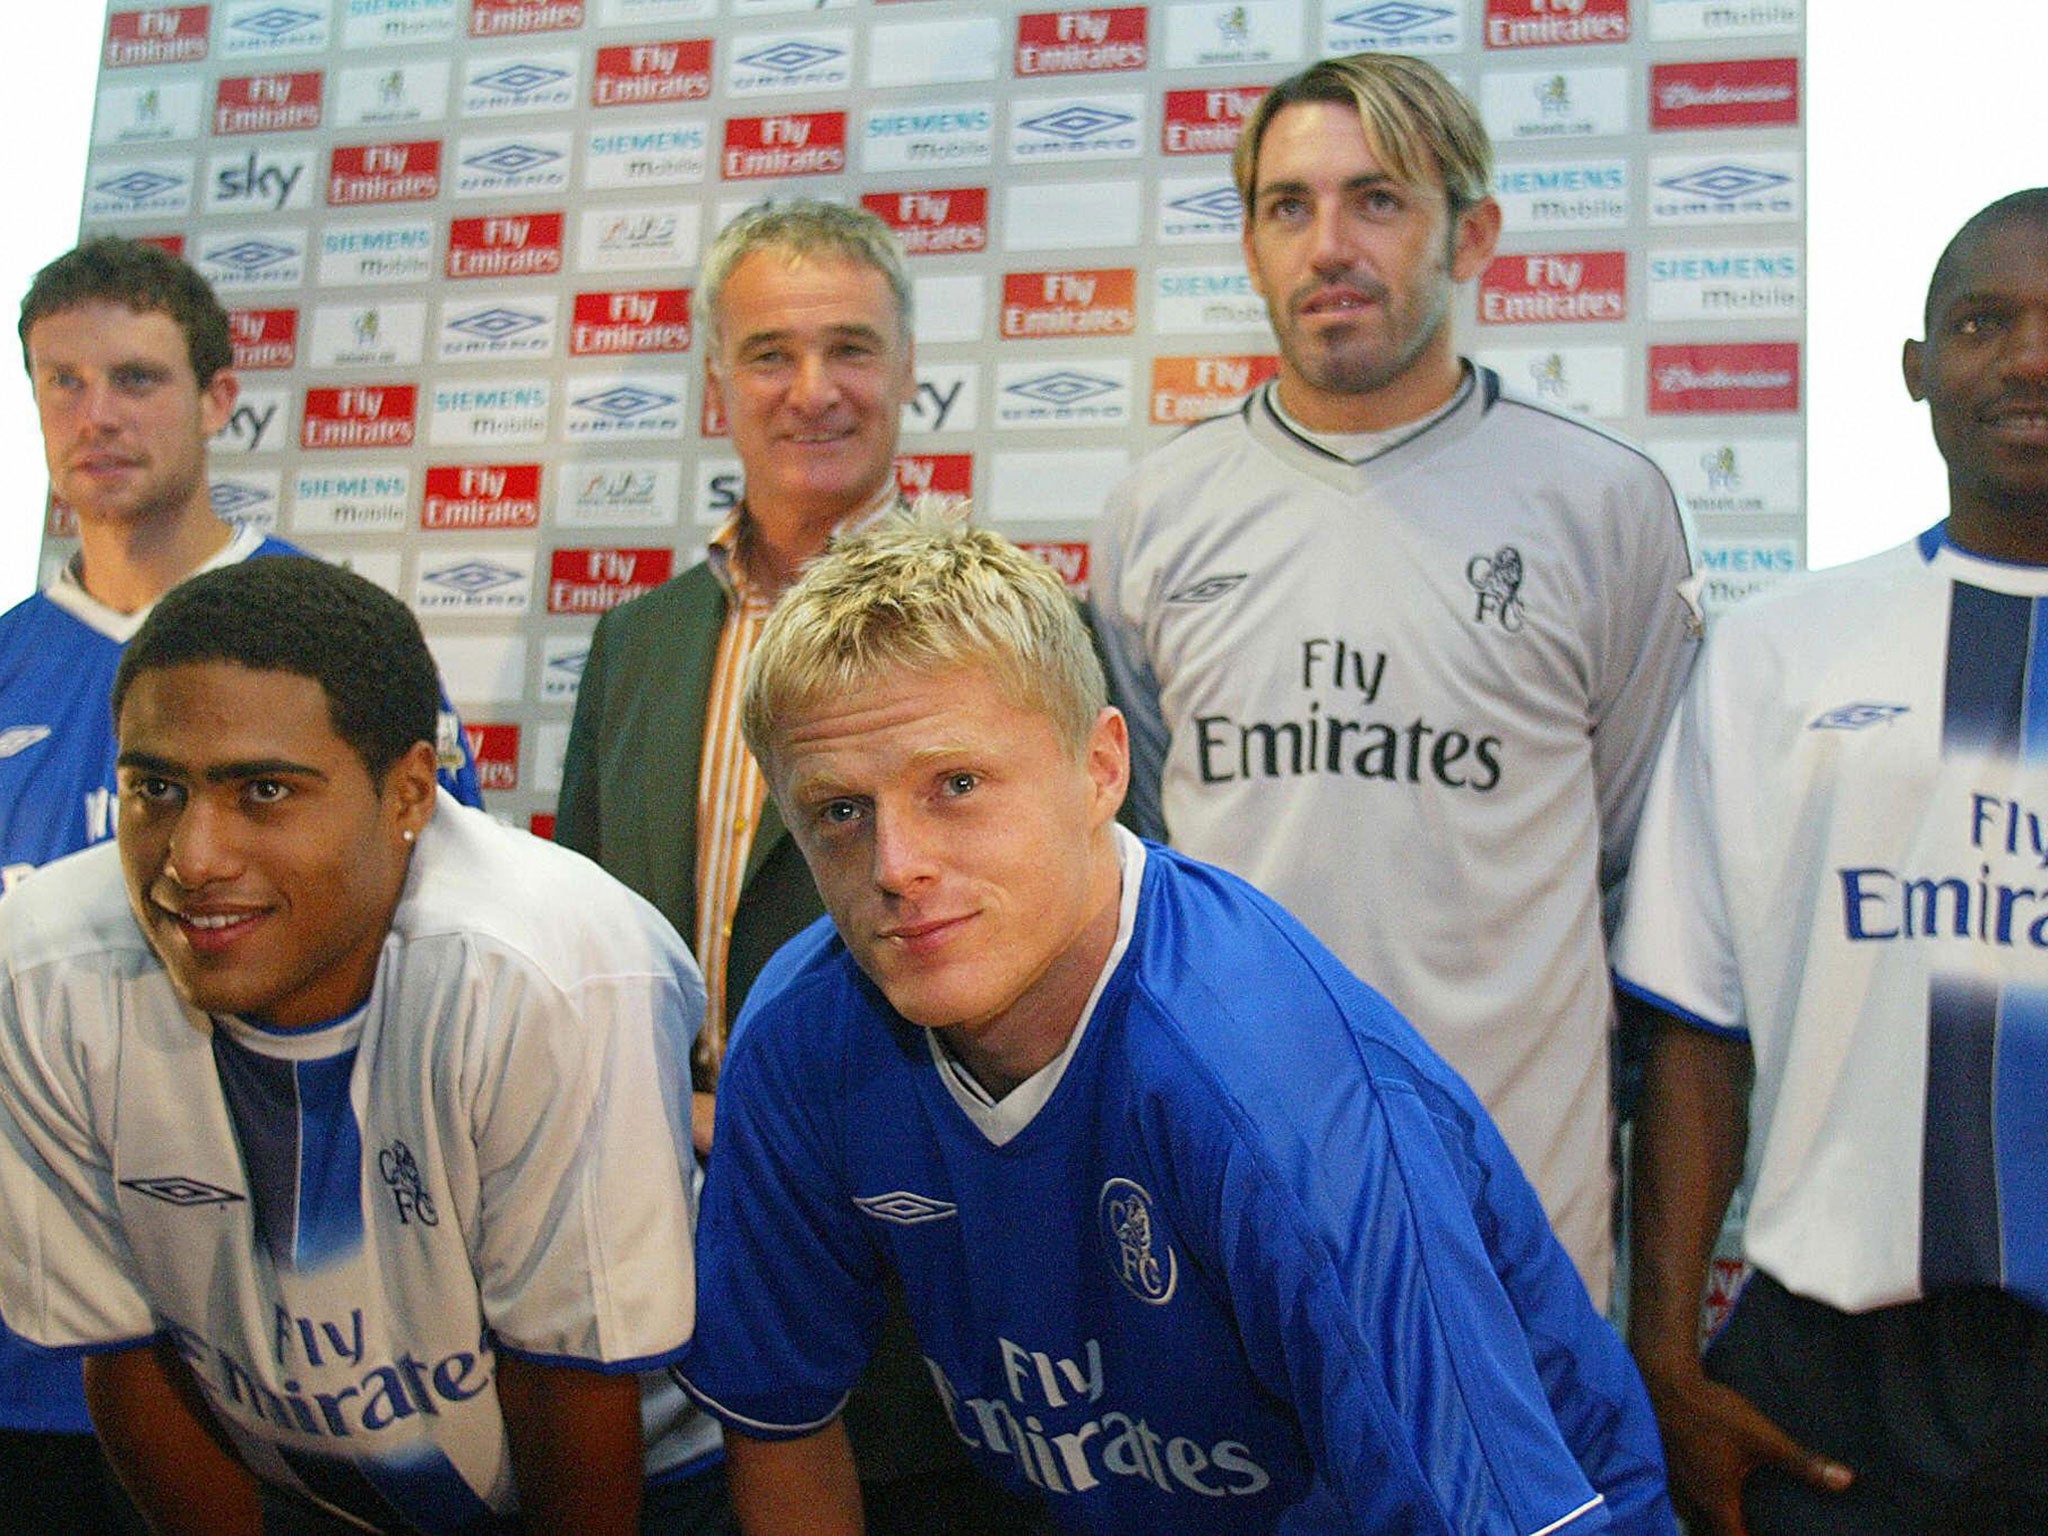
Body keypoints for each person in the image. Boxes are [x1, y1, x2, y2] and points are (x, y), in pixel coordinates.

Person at [678, 513, 1676, 1534]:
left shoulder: (1264, 1086)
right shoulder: (804, 1035)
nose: (896, 866)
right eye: (841, 811)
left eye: (957, 786)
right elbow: (783, 1424)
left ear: (1100, 768)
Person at [1088, 53, 1698, 1304]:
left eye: (1377, 199)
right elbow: (1149, 837)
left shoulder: (1601, 503)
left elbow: (1639, 853)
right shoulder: (1157, 511)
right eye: (1287, 206)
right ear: (1250, 244)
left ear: (1468, 234)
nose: (1328, 245)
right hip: (1232, 1184)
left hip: (1514, 1198)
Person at [0, 556, 718, 1535]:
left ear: (410, 793)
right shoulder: (40, 967)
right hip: (300, 1485)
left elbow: (572, 1387)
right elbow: (125, 1354)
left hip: (642, 1484)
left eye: (262, 791)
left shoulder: (551, 971)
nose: (194, 858)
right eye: (155, 788)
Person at [0, 236, 482, 1531]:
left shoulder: (338, 648)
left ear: (218, 399)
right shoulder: (6, 666)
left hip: (296, 1358)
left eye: (138, 379)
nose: (97, 415)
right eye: (62, 382)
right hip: (28, 1352)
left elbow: (450, 970)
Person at [556, 200, 1017, 1533]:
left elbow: (1065, 966)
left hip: (913, 1305)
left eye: (850, 349)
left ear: (909, 366)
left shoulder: (1008, 626)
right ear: (717, 382)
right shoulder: (638, 642)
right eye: (769, 353)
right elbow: (579, 937)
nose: (813, 391)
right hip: (648, 1285)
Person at [1617, 191, 2048, 1534]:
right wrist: (1667, 1357)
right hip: (1840, 1370)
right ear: (1918, 371)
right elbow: (1697, 1037)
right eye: (1984, 322)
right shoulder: (1781, 649)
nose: (2028, 358)